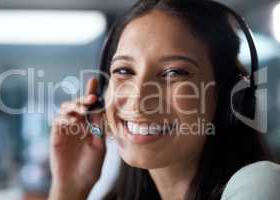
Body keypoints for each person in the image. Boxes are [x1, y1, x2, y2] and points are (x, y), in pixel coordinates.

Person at [48, 0, 280, 199]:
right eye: (124, 71)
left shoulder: (259, 184)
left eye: (174, 73)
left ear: (231, 97)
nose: (138, 99)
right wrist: (69, 189)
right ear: (100, 98)